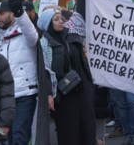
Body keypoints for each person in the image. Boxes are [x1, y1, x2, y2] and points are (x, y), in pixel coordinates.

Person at [37, 8, 96, 145]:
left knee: (87, 128)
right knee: (69, 132)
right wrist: (48, 94)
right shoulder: (44, 44)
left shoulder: (72, 35)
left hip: (81, 91)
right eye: (56, 19)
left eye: (61, 18)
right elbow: (44, 71)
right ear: (48, 24)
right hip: (63, 95)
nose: (60, 22)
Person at [0, 0, 39, 145]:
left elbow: (33, 36)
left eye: (2, 13)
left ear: (12, 14)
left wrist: (21, 14)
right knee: (5, 137)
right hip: (3, 96)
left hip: (24, 94)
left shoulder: (25, 33)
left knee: (19, 135)